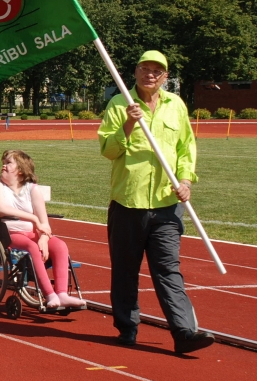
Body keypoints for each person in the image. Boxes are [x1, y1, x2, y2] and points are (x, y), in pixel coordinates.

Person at [98, 50, 214, 354]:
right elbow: (108, 150)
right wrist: (128, 124)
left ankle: (184, 332)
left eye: (157, 71)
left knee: (168, 269)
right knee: (125, 270)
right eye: (145, 69)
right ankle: (127, 326)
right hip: (127, 203)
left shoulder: (176, 106)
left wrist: (186, 180)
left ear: (165, 76)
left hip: (166, 204)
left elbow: (186, 147)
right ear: (135, 72)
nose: (151, 75)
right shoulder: (118, 104)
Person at [0, 149, 85, 309]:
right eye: (3, 163)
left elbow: (44, 224)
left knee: (60, 246)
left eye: (8, 163)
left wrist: (44, 238)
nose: (3, 166)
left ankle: (61, 294)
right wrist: (32, 218)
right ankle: (49, 294)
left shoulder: (32, 189)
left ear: (20, 170)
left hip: (33, 234)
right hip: (9, 233)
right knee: (32, 247)